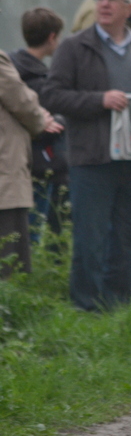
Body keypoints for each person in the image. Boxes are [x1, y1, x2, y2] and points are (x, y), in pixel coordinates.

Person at [41, 0, 131, 311]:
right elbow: (52, 94)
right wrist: (99, 100)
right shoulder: (74, 47)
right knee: (91, 240)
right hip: (92, 160)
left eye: (112, 0)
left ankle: (121, 307)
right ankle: (87, 308)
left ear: (129, 9)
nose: (103, 4)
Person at [0, 49, 62, 278]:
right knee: (10, 261)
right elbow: (21, 100)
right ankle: (11, 311)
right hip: (4, 175)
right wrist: (40, 118)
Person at [10, 7, 69, 243]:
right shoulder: (41, 81)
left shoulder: (11, 70)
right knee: (32, 235)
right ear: (52, 37)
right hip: (41, 166)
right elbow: (48, 124)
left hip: (17, 165)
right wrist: (64, 120)